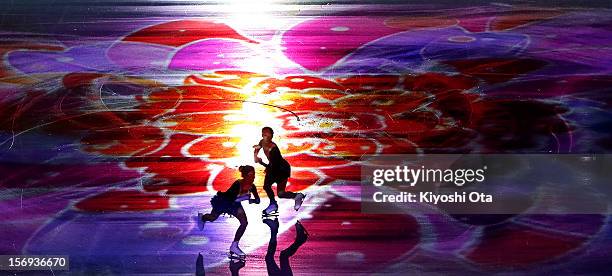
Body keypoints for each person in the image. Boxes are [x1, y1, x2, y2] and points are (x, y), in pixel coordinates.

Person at [196, 165, 260, 259]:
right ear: (245, 176)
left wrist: (252, 200)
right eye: (250, 175)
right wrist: (245, 197)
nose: (253, 177)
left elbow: (258, 200)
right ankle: (202, 217)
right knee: (212, 218)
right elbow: (231, 199)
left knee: (244, 223)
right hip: (224, 202)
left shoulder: (252, 186)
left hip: (235, 205)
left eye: (254, 175)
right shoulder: (238, 184)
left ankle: (234, 246)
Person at [253, 127, 305, 216]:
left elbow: (274, 165)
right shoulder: (262, 141)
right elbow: (258, 147)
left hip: (281, 170)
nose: (265, 135)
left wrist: (262, 163)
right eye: (264, 133)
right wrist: (255, 155)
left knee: (280, 193)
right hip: (273, 167)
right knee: (266, 186)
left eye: (268, 134)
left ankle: (297, 196)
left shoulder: (273, 149)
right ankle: (273, 204)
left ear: (271, 136)